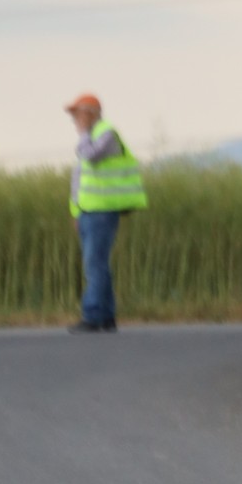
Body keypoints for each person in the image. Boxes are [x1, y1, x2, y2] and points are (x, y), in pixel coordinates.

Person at [65, 93, 146, 331]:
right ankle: (106, 317)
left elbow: (90, 156)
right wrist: (76, 211)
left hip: (102, 210)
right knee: (97, 263)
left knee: (94, 264)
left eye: (78, 114)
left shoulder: (106, 133)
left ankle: (93, 316)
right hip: (88, 210)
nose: (75, 120)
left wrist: (83, 133)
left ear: (91, 114)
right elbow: (79, 180)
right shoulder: (92, 137)